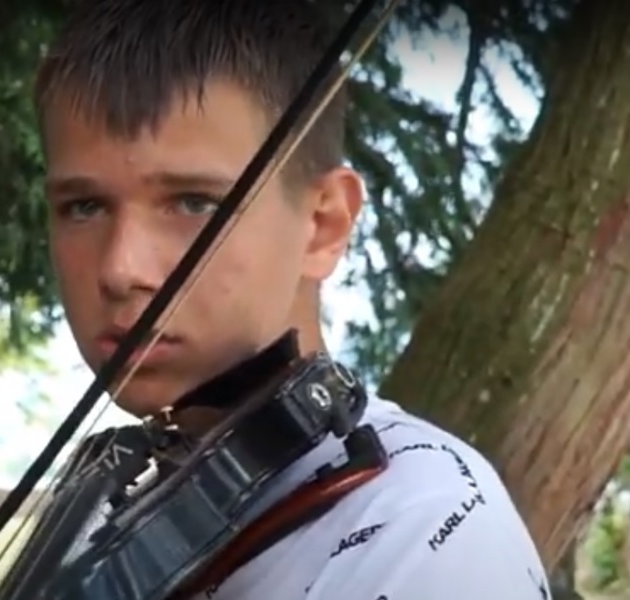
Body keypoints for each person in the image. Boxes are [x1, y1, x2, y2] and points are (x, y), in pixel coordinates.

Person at [33, 0, 552, 597]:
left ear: (323, 225)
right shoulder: (117, 505)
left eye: (194, 203)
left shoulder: (424, 523)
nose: (120, 269)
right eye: (85, 207)